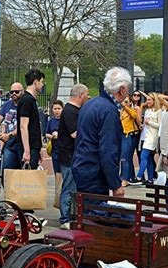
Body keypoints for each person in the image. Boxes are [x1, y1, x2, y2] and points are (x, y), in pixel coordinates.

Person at [72, 67, 132, 199]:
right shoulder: (109, 111)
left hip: (82, 167)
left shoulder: (91, 103)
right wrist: (116, 185)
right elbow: (108, 150)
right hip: (94, 173)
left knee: (86, 213)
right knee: (96, 213)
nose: (128, 93)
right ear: (122, 89)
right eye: (127, 89)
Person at [57, 84, 90, 228]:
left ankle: (70, 215)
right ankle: (65, 218)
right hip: (69, 155)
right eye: (86, 95)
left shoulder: (71, 110)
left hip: (70, 155)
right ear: (81, 95)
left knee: (72, 187)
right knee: (69, 188)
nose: (87, 98)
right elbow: (74, 134)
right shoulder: (70, 111)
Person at [0, 83, 24, 177]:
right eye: (12, 92)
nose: (14, 93)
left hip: (23, 144)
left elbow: (24, 126)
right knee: (5, 173)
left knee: (24, 173)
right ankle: (7, 190)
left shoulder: (25, 105)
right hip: (9, 145)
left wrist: (9, 135)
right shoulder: (7, 105)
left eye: (17, 91)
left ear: (22, 92)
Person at [16, 69, 45, 169]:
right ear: (35, 82)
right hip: (29, 147)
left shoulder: (29, 100)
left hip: (33, 146)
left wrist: (38, 147)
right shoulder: (27, 100)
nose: (42, 85)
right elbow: (23, 126)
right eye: (41, 82)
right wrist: (27, 150)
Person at [131, 92, 162, 185]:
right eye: (147, 99)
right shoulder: (148, 111)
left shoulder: (158, 111)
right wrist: (142, 125)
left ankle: (139, 176)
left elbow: (160, 125)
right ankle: (150, 179)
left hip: (152, 137)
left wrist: (150, 123)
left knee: (143, 156)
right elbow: (145, 123)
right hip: (144, 135)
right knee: (148, 158)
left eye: (149, 100)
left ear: (154, 100)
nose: (147, 102)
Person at [120, 94, 142, 187]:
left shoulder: (132, 110)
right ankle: (128, 176)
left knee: (125, 158)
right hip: (122, 135)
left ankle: (125, 179)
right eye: (123, 101)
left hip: (128, 135)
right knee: (124, 158)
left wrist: (125, 107)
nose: (124, 103)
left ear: (130, 103)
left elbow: (133, 116)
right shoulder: (121, 111)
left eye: (126, 102)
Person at [46, 100, 64, 205]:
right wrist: (51, 136)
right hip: (55, 150)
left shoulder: (65, 120)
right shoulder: (51, 121)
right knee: (57, 172)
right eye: (55, 109)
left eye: (59, 108)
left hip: (64, 149)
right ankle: (57, 195)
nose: (57, 111)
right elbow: (46, 133)